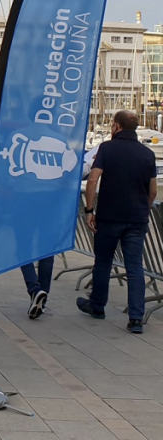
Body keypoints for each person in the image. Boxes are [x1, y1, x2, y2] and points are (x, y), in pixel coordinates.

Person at [78, 110, 158, 333]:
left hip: (109, 216)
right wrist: (143, 209)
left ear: (116, 125)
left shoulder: (107, 149)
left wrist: (89, 210)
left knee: (103, 261)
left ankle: (97, 306)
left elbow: (92, 180)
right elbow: (153, 191)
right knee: (135, 267)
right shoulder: (147, 154)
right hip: (136, 219)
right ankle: (136, 318)